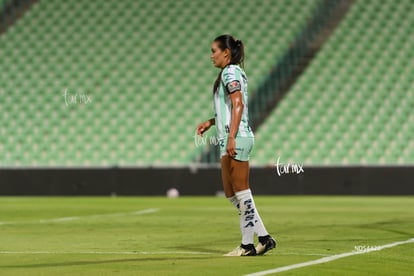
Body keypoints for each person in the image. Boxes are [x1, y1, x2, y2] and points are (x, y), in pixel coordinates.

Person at [196, 34, 276, 256]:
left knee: (241, 191)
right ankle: (264, 237)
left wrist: (231, 136)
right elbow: (230, 107)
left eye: (214, 51)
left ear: (226, 53)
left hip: (237, 136)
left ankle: (247, 244)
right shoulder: (226, 73)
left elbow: (238, 103)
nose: (211, 55)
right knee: (232, 194)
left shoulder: (230, 72)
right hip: (228, 137)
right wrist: (211, 123)